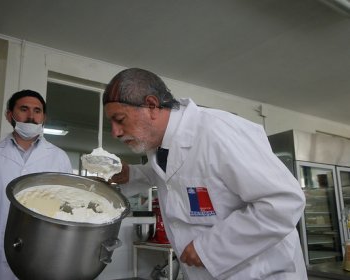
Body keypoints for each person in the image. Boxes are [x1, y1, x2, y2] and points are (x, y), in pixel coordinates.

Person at [103, 68, 307, 280]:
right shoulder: (162, 148)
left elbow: (283, 201)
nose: (115, 132)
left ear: (152, 106)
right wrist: (130, 174)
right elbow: (171, 174)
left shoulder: (218, 132)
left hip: (261, 273)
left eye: (119, 119)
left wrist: (209, 249)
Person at [0, 89, 73, 279]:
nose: (31, 116)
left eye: (37, 111)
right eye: (24, 109)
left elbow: (66, 207)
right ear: (9, 115)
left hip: (43, 250)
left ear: (44, 117)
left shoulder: (59, 158)